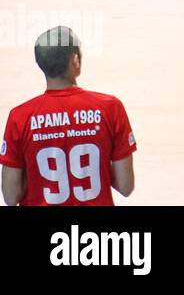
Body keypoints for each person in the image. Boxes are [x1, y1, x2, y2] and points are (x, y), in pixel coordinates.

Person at [1, 27, 137, 206]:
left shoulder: (20, 117)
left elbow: (11, 197)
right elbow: (126, 186)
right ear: (75, 61)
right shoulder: (110, 107)